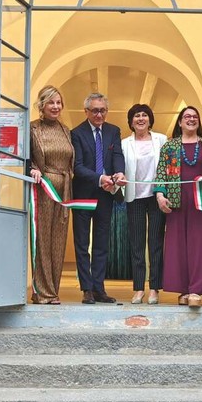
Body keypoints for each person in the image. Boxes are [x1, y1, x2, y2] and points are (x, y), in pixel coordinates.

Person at [154, 105, 202, 307]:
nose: (191, 119)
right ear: (180, 122)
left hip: (201, 202)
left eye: (195, 117)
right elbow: (161, 171)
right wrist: (160, 195)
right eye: (187, 116)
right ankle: (183, 289)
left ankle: (196, 290)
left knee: (200, 245)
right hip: (176, 200)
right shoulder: (169, 146)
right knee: (178, 246)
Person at [71, 92, 126, 304]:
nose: (99, 115)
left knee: (102, 243)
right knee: (82, 243)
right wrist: (100, 178)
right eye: (95, 111)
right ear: (86, 111)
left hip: (106, 195)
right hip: (83, 194)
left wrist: (119, 173)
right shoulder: (76, 133)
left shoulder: (113, 131)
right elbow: (77, 167)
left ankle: (98, 288)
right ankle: (86, 288)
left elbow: (117, 155)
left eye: (103, 110)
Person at [29, 85, 74, 304]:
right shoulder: (33, 128)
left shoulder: (66, 130)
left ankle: (53, 290)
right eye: (51, 102)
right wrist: (32, 168)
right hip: (44, 189)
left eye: (58, 103)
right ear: (42, 105)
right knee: (43, 239)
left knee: (58, 241)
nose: (55, 107)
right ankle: (42, 292)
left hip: (64, 191)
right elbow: (24, 156)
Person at [121, 104, 167, 305]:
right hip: (135, 198)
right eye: (136, 116)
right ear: (131, 122)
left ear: (150, 119)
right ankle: (139, 288)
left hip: (157, 197)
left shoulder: (161, 140)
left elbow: (167, 167)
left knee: (156, 244)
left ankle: (155, 288)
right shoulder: (124, 144)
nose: (141, 119)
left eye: (144, 115)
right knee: (137, 244)